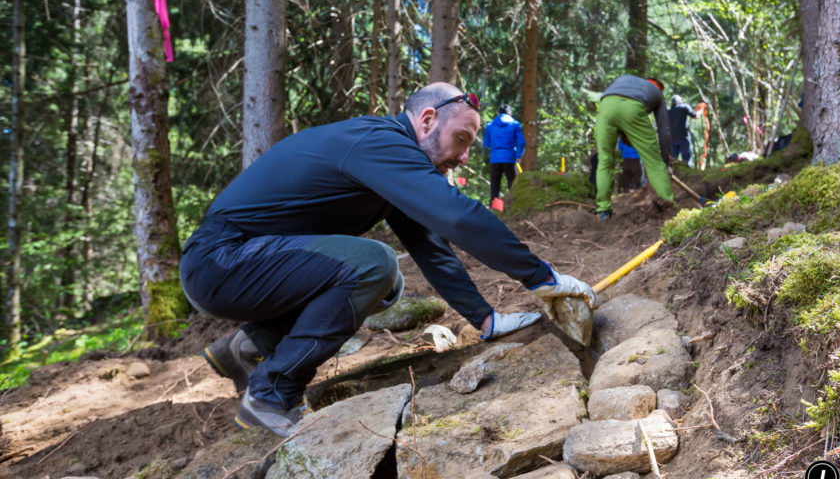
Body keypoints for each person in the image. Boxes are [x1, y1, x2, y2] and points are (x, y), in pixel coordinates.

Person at [180, 83, 597, 437]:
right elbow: (458, 216)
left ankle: (248, 347)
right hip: (221, 261)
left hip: (238, 263)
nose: (465, 157)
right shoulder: (380, 143)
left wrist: (485, 320)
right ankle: (272, 394)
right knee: (373, 264)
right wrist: (542, 277)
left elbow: (432, 245)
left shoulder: (389, 159)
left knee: (386, 279)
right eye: (463, 140)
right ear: (428, 120)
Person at [594, 75, 673, 221]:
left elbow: (619, 114)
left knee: (604, 161)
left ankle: (603, 209)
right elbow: (664, 131)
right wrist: (665, 163)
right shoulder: (657, 94)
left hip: (606, 105)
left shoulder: (626, 79)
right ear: (659, 88)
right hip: (632, 108)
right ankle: (668, 210)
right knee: (654, 163)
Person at [482, 103, 526, 207]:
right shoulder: (515, 124)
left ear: (498, 113)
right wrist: (518, 155)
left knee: (495, 188)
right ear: (510, 113)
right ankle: (513, 207)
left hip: (495, 159)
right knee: (512, 185)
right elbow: (522, 143)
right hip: (510, 159)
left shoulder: (490, 125)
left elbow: (486, 144)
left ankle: (495, 210)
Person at [668, 95, 698, 166]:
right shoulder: (684, 107)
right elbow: (696, 116)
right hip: (684, 139)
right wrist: (701, 110)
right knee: (686, 161)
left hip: (672, 140)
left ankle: (673, 174)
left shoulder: (668, 112)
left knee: (672, 161)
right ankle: (687, 174)